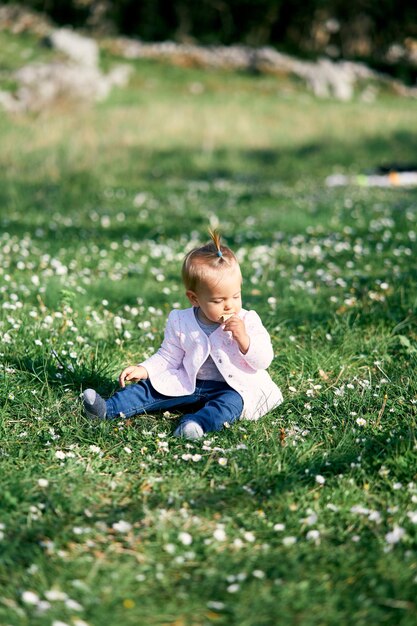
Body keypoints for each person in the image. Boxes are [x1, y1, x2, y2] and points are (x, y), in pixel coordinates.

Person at [83, 230, 283, 439]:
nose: (229, 305)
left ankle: (195, 425)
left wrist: (245, 341)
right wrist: (145, 368)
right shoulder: (181, 320)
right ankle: (106, 409)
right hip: (188, 381)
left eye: (236, 296)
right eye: (218, 301)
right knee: (148, 389)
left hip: (231, 386)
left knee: (229, 406)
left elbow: (264, 360)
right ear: (194, 299)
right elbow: (168, 356)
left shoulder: (247, 320)